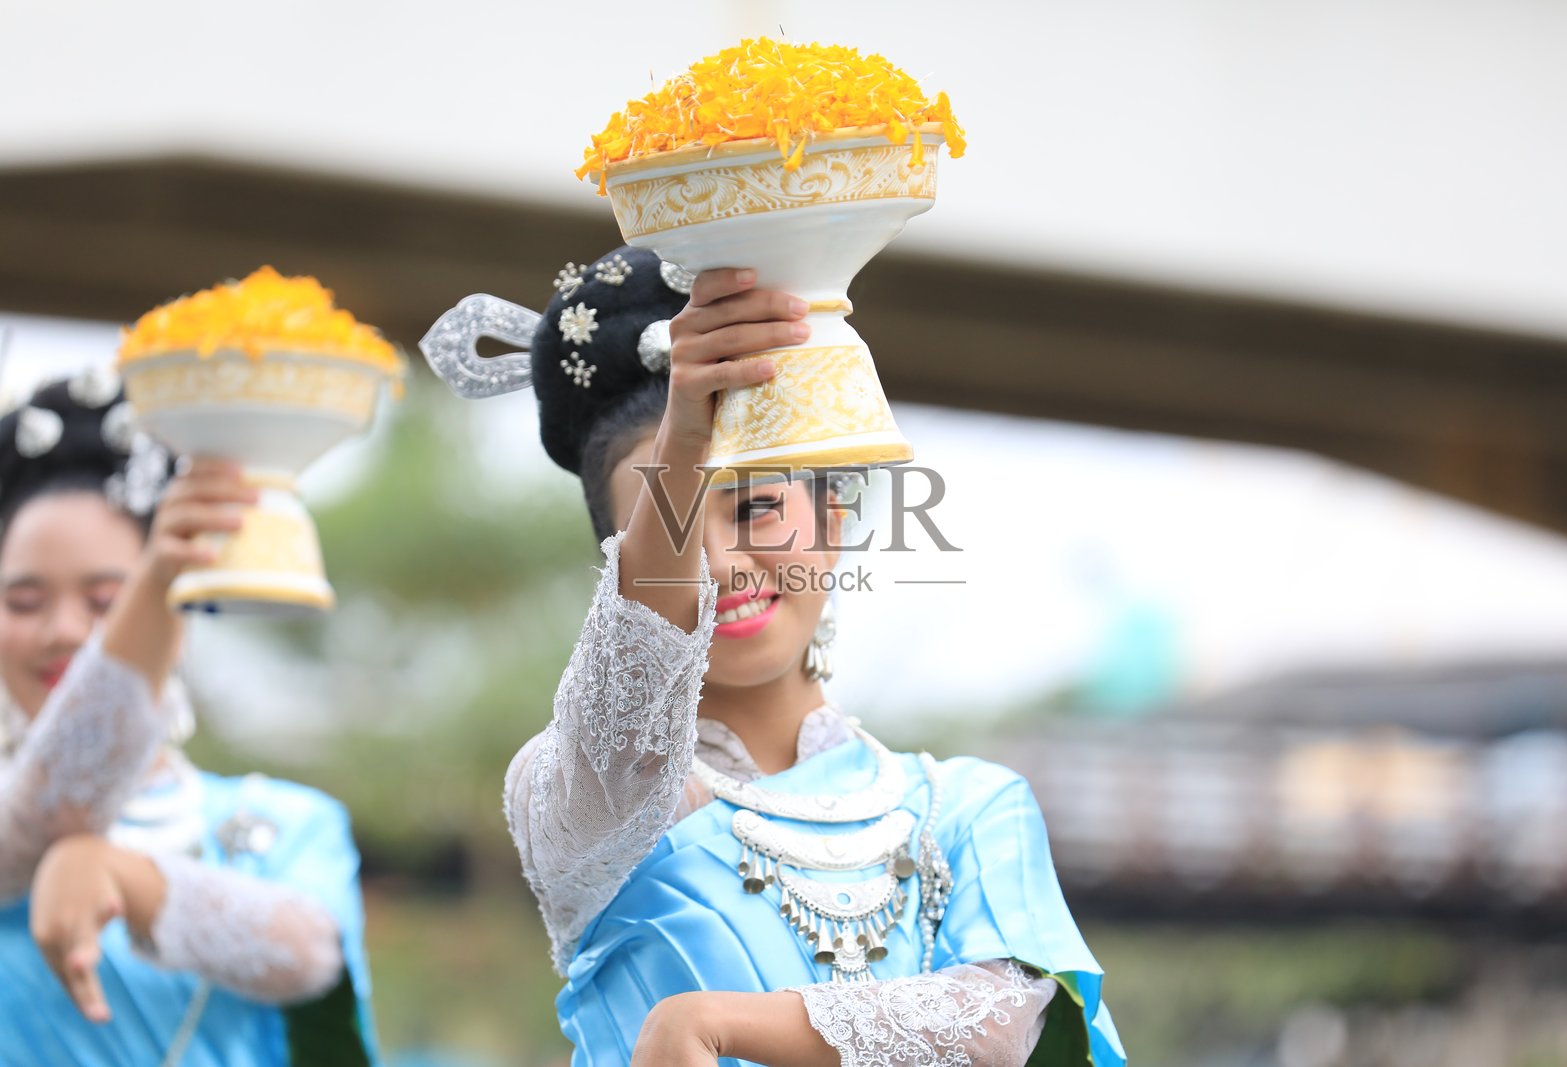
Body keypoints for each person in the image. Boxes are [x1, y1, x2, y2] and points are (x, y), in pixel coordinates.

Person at [470, 246, 1124, 1066]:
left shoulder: (966, 808)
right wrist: (685, 434)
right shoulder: (584, 797)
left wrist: (713, 1021)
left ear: (832, 520)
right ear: (621, 569)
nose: (720, 564)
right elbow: (620, 749)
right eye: (671, 525)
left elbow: (1003, 1022)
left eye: (754, 508)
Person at [0, 371, 380, 1065]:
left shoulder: (288, 821)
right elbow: (43, 816)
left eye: (106, 601)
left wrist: (128, 876)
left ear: (180, 615)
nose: (63, 631)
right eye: (24, 603)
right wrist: (151, 583)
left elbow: (308, 958)